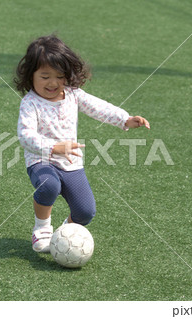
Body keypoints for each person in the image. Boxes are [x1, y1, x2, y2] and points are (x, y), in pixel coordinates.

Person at [15, 35, 150, 253]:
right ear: (31, 75)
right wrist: (52, 147)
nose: (53, 83)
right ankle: (42, 229)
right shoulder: (30, 103)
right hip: (41, 159)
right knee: (49, 185)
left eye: (60, 76)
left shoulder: (73, 95)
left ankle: (63, 234)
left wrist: (124, 119)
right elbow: (25, 134)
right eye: (45, 76)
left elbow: (99, 107)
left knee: (85, 212)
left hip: (71, 164)